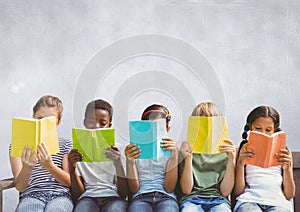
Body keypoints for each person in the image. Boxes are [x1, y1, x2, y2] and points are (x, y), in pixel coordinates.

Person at [9, 95, 73, 212]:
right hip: (31, 195)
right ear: (33, 116)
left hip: (60, 196)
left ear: (58, 122)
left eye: (49, 121)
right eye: (39, 118)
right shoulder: (17, 146)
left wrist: (50, 166)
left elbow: (69, 182)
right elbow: (20, 187)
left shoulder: (66, 145)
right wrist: (27, 168)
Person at [68, 99, 128, 212]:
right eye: (91, 121)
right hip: (87, 197)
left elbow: (123, 193)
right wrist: (72, 168)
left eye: (103, 123)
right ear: (84, 123)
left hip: (114, 198)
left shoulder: (118, 151)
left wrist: (118, 164)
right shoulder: (77, 151)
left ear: (109, 126)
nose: (96, 126)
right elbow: (79, 193)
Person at [234, 106, 295, 211]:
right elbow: (238, 192)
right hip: (249, 200)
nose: (263, 133)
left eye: (268, 130)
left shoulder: (284, 153)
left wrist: (287, 169)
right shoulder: (243, 151)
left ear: (274, 130)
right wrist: (240, 164)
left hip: (278, 202)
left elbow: (289, 195)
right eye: (258, 129)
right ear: (250, 127)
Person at [179, 102, 236, 211]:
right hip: (191, 200)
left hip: (219, 200)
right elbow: (186, 190)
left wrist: (231, 161)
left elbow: (225, 192)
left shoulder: (225, 152)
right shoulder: (187, 152)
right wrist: (188, 159)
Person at [125, 104, 179, 212]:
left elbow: (169, 188)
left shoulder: (170, 150)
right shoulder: (135, 150)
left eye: (159, 127)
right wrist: (130, 162)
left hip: (166, 197)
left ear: (167, 128)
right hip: (140, 197)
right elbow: (134, 189)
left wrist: (174, 157)